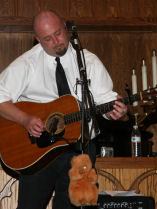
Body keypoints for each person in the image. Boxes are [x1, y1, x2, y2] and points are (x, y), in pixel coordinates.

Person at [0, 10, 127, 209]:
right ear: (38, 40)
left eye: (58, 33)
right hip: (38, 150)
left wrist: (114, 111)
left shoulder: (88, 62)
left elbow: (105, 99)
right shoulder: (27, 63)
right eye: (47, 39)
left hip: (80, 149)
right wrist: (25, 119)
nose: (56, 42)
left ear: (66, 28)